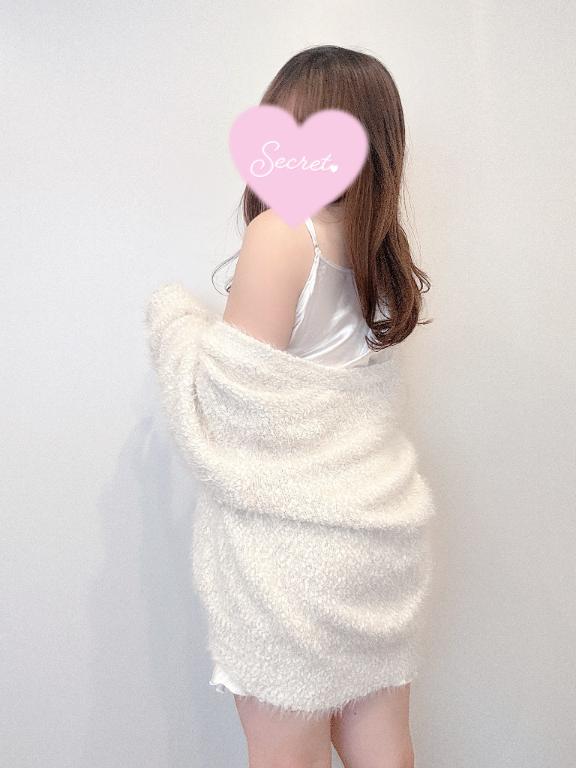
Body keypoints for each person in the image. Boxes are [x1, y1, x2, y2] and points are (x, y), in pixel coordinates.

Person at [207, 44, 433, 768]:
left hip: (297, 551)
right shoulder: (381, 253)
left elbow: (235, 408)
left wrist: (176, 338)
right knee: (383, 747)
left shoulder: (282, 234)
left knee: (287, 758)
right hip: (376, 538)